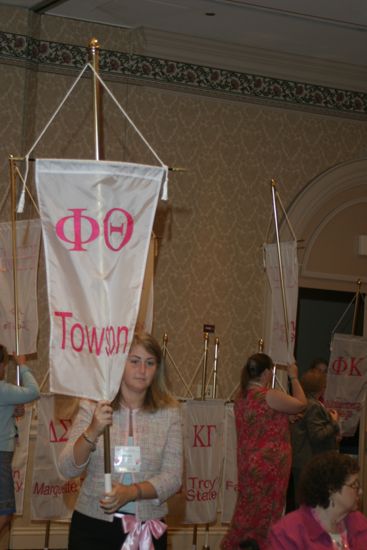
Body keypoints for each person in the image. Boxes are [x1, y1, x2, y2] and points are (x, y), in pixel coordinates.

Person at [59, 332, 183, 550]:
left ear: (157, 369)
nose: (142, 370)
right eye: (134, 361)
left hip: (147, 529)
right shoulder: (92, 406)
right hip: (92, 527)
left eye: (150, 363)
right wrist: (93, 430)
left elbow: (173, 477)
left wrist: (132, 492)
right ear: (119, 364)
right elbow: (66, 468)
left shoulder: (169, 413)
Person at [221, 353, 307, 550]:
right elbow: (301, 403)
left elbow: (261, 421)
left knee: (247, 511)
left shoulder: (241, 397)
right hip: (269, 467)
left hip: (248, 464)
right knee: (266, 516)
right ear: (267, 372)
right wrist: (293, 376)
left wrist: (284, 419)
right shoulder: (269, 395)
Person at [266, 451, 367, 549]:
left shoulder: (358, 522)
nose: (360, 491)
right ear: (331, 489)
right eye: (354, 485)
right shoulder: (288, 533)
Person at [0, 345, 40, 535]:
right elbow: (34, 391)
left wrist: (11, 410)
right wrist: (23, 366)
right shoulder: (3, 390)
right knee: (5, 512)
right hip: (1, 456)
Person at [291, 369, 340, 501]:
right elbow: (317, 435)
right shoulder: (313, 406)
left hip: (303, 461)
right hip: (310, 462)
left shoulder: (304, 403)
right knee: (311, 503)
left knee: (304, 502)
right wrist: (334, 423)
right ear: (321, 387)